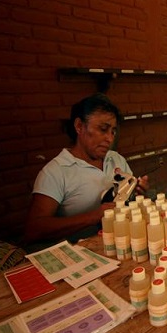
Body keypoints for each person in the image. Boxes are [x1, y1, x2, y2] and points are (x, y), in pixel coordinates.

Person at [24, 93, 150, 247]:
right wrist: (94, 216)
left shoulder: (116, 159)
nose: (110, 139)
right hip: (79, 257)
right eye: (103, 129)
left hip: (119, 244)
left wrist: (136, 193)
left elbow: (127, 205)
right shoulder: (56, 172)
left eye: (113, 131)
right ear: (79, 126)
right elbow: (34, 230)